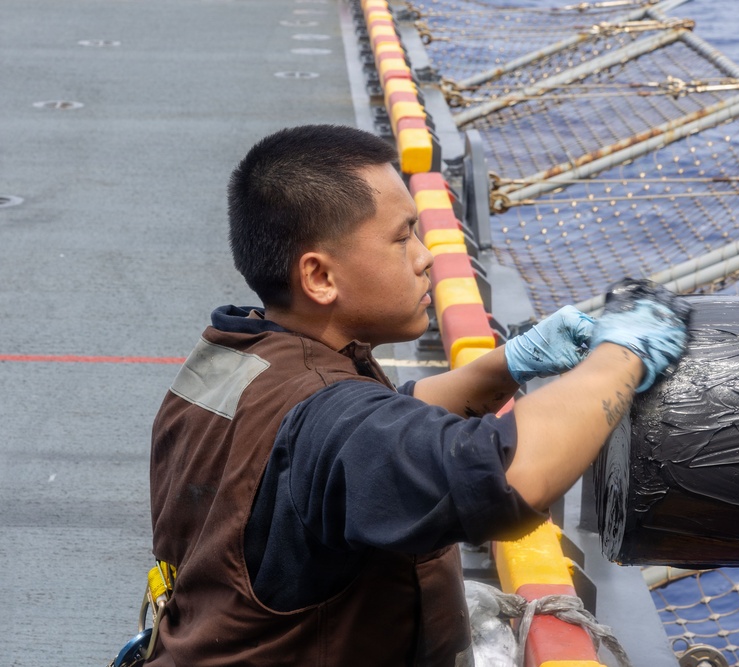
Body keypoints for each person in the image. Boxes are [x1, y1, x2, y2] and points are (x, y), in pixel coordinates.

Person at [146, 124, 688, 666]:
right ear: (319, 276)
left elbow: (376, 429)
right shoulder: (329, 421)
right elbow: (511, 476)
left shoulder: (238, 356)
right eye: (402, 237)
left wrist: (511, 362)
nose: (425, 256)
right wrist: (623, 355)